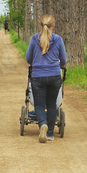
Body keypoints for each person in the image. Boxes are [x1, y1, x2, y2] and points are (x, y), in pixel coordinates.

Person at [26, 14, 67, 143]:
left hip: (38, 76)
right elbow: (64, 60)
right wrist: (57, 66)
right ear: (53, 25)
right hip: (54, 76)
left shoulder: (34, 39)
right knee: (51, 104)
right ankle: (50, 133)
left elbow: (28, 59)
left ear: (40, 24)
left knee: (39, 104)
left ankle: (42, 124)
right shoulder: (58, 40)